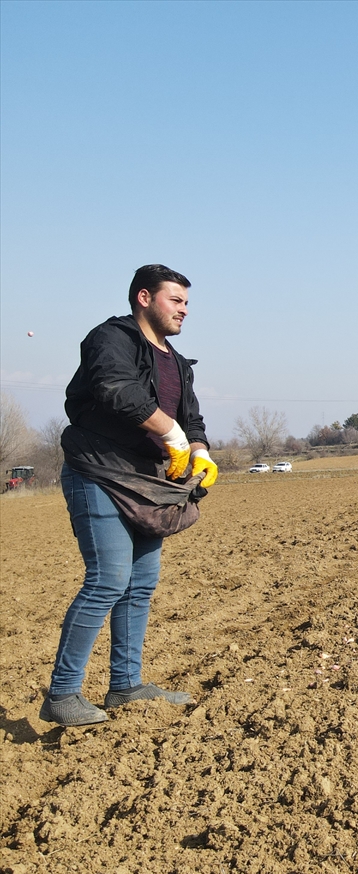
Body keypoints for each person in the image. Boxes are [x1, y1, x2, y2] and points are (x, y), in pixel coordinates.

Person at [43, 264, 218, 728]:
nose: (184, 310)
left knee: (140, 584)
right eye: (175, 300)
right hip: (99, 471)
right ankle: (62, 694)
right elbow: (115, 389)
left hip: (148, 482)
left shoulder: (176, 361)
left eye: (186, 303)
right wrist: (171, 434)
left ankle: (125, 685)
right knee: (107, 580)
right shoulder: (111, 339)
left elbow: (191, 418)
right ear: (144, 297)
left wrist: (198, 450)